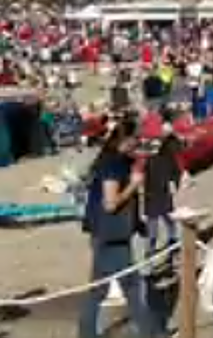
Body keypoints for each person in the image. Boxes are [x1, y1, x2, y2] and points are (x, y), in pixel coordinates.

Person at [79, 117, 158, 338]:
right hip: (110, 236)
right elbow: (110, 202)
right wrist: (133, 185)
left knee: (98, 289)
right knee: (131, 287)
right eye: (137, 138)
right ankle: (150, 333)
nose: (139, 142)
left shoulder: (118, 161)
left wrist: (137, 223)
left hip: (110, 234)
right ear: (127, 139)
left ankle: (85, 332)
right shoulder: (112, 164)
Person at [143, 129, 185, 260]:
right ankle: (153, 258)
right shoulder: (152, 160)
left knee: (167, 230)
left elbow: (176, 175)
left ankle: (170, 255)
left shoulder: (162, 159)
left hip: (160, 198)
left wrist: (176, 184)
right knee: (157, 233)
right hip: (155, 198)